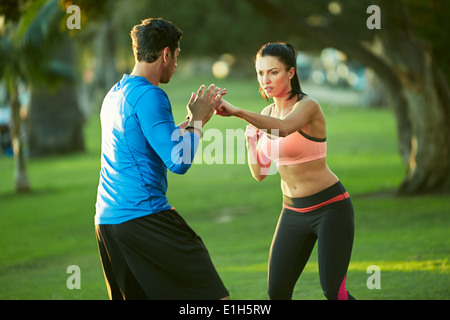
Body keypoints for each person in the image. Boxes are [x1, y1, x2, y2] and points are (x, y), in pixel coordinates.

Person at [94, 18, 229, 300]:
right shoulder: (150, 95)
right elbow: (178, 161)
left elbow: (150, 140)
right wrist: (198, 124)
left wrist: (194, 119)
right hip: (144, 218)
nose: (177, 64)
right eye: (177, 56)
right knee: (212, 296)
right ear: (166, 54)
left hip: (108, 223)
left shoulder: (116, 94)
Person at [215, 42, 355, 300]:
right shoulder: (266, 113)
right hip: (292, 210)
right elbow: (260, 173)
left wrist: (239, 112)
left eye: (273, 72)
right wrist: (250, 141)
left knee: (333, 292)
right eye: (260, 73)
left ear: (291, 73)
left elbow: (285, 127)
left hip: (330, 207)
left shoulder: (307, 106)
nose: (265, 79)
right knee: (277, 292)